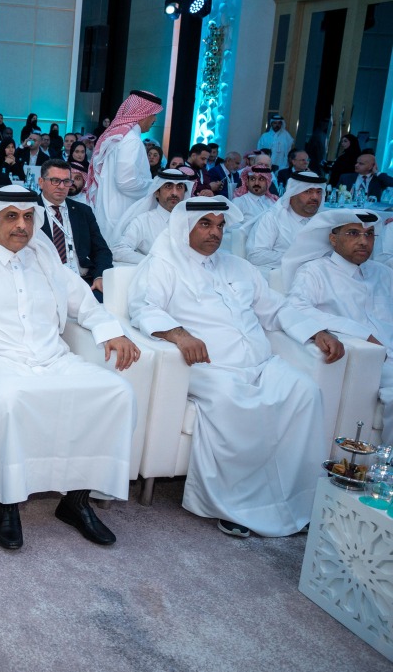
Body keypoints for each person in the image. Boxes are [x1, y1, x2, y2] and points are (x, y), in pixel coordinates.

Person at [0, 185, 141, 550]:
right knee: (9, 400)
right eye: (12, 217)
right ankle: (8, 503)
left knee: (118, 392)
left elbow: (86, 306)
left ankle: (76, 500)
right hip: (1, 364)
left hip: (54, 359)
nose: (21, 225)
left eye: (28, 217)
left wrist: (110, 332)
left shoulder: (48, 264)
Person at [129, 197, 341, 538]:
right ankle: (233, 507)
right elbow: (143, 307)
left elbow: (276, 308)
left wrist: (315, 330)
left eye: (220, 226)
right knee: (234, 401)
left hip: (260, 363)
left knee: (306, 392)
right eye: (206, 224)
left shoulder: (239, 267)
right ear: (186, 226)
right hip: (209, 368)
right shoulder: (163, 264)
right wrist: (179, 335)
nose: (215, 232)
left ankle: (296, 502)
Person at [283, 209, 392, 431]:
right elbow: (295, 307)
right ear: (333, 239)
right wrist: (360, 332)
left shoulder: (383, 273)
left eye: (369, 234)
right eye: (353, 233)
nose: (363, 241)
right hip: (372, 361)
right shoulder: (315, 271)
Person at [86, 90, 163, 244]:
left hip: (112, 211)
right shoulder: (131, 140)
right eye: (153, 114)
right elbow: (126, 182)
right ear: (143, 113)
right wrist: (154, 186)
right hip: (121, 213)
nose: (154, 119)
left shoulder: (119, 137)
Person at [37, 160, 114, 295]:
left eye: (66, 181)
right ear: (41, 182)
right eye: (55, 180)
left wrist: (100, 276)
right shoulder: (29, 211)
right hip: (45, 284)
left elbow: (102, 250)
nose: (61, 186)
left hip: (84, 282)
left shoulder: (82, 211)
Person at [111, 168, 193, 265]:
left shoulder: (192, 222)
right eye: (168, 186)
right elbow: (118, 250)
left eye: (179, 187)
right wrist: (154, 262)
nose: (174, 193)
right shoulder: (143, 221)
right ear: (157, 192)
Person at [245, 171, 326, 269]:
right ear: (292, 194)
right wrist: (299, 259)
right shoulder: (272, 218)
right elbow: (255, 255)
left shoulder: (323, 221)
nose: (315, 197)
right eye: (308, 191)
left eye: (319, 192)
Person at [231, 159, 278, 227]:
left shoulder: (273, 202)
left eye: (261, 179)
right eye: (252, 179)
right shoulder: (239, 202)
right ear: (247, 182)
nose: (256, 183)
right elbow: (231, 228)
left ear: (267, 182)